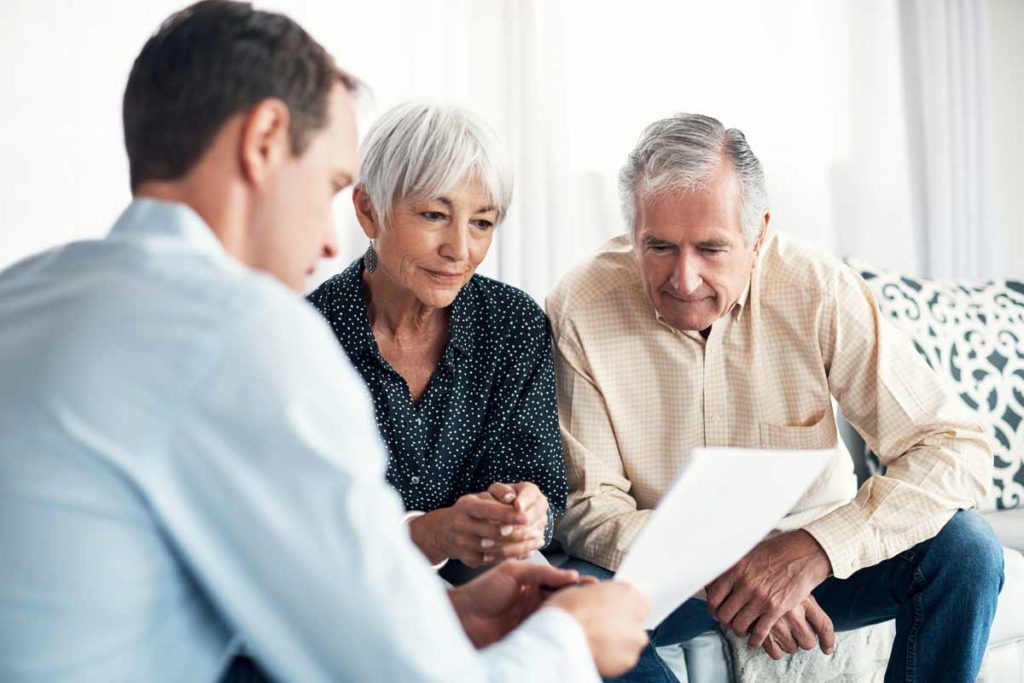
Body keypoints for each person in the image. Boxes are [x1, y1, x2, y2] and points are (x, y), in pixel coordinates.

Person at [0, 2, 650, 681]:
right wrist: (572, 643)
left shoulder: (22, 296)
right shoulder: (244, 333)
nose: (329, 242)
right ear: (264, 141)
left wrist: (449, 611)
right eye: (332, 185)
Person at [547, 112, 1005, 682]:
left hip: (813, 557)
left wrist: (815, 551)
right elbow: (590, 507)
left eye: (711, 249)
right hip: (667, 571)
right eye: (658, 246)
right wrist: (728, 567)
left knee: (966, 552)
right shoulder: (580, 304)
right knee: (573, 619)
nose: (683, 279)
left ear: (758, 233)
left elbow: (953, 447)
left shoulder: (817, 289)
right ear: (631, 231)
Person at [307, 101, 564, 576]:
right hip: (352, 591)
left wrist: (527, 511)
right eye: (432, 215)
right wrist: (433, 533)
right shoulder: (306, 336)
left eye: (482, 223)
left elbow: (540, 483)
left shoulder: (513, 323)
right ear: (368, 210)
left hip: (493, 577)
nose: (459, 250)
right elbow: (303, 527)